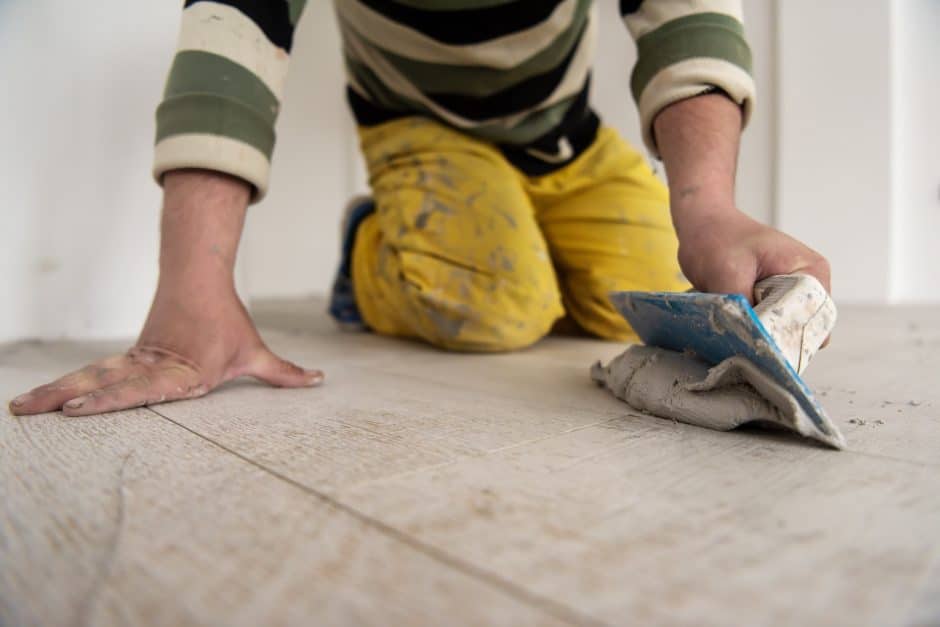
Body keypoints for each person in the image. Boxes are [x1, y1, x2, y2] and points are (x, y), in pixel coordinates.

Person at [9, 0, 830, 417]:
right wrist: (193, 283)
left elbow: (682, 14)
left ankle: (520, 224)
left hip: (563, 137)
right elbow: (236, 25)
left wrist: (709, 208)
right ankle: (370, 245)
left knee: (654, 288)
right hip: (419, 129)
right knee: (497, 303)